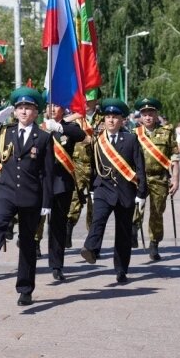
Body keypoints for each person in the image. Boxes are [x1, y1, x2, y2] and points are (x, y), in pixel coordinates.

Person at [0, 87, 54, 307]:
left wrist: (47, 202)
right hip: (7, 191)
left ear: (35, 112)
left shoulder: (44, 137)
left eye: (27, 108)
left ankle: (25, 289)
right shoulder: (5, 132)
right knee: (0, 222)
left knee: (28, 243)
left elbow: (47, 173)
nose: (23, 111)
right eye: (19, 107)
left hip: (31, 196)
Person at [80, 98, 148, 283]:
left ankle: (121, 269)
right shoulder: (98, 139)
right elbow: (93, 165)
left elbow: (140, 167)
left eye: (115, 117)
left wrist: (142, 193)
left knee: (123, 233)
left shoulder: (131, 139)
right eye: (107, 117)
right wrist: (93, 188)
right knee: (98, 219)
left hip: (126, 192)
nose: (110, 120)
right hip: (103, 189)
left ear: (122, 120)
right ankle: (90, 248)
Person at [39, 102, 85, 280]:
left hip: (61, 183)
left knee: (57, 225)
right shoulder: (37, 127)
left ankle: (57, 265)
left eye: (56, 106)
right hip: (39, 183)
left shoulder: (67, 128)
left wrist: (58, 127)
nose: (51, 109)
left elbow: (80, 135)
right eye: (49, 105)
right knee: (32, 223)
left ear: (63, 110)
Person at [133, 97, 180, 261]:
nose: (148, 117)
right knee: (135, 209)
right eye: (144, 113)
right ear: (140, 116)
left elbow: (174, 156)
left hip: (159, 178)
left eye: (151, 113)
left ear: (156, 114)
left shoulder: (167, 132)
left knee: (157, 212)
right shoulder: (134, 134)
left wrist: (175, 177)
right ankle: (133, 232)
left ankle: (154, 244)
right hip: (139, 179)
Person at [66, 91, 102, 247]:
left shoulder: (104, 118)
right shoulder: (74, 118)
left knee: (96, 207)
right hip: (78, 164)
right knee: (74, 199)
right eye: (84, 99)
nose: (86, 103)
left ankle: (93, 243)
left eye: (90, 100)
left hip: (99, 166)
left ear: (96, 101)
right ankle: (68, 231)